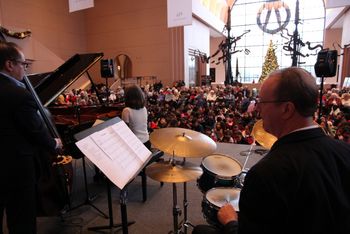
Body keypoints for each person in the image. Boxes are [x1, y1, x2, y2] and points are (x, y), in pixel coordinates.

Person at [193, 67, 350, 233]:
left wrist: (231, 222)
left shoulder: (267, 173)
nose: (258, 108)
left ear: (287, 109)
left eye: (262, 102)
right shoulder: (345, 151)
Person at [0, 41, 62, 233]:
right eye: (23, 64)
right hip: (16, 167)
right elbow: (35, 131)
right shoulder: (20, 95)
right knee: (21, 217)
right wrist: (54, 143)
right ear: (10, 65)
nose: (25, 69)